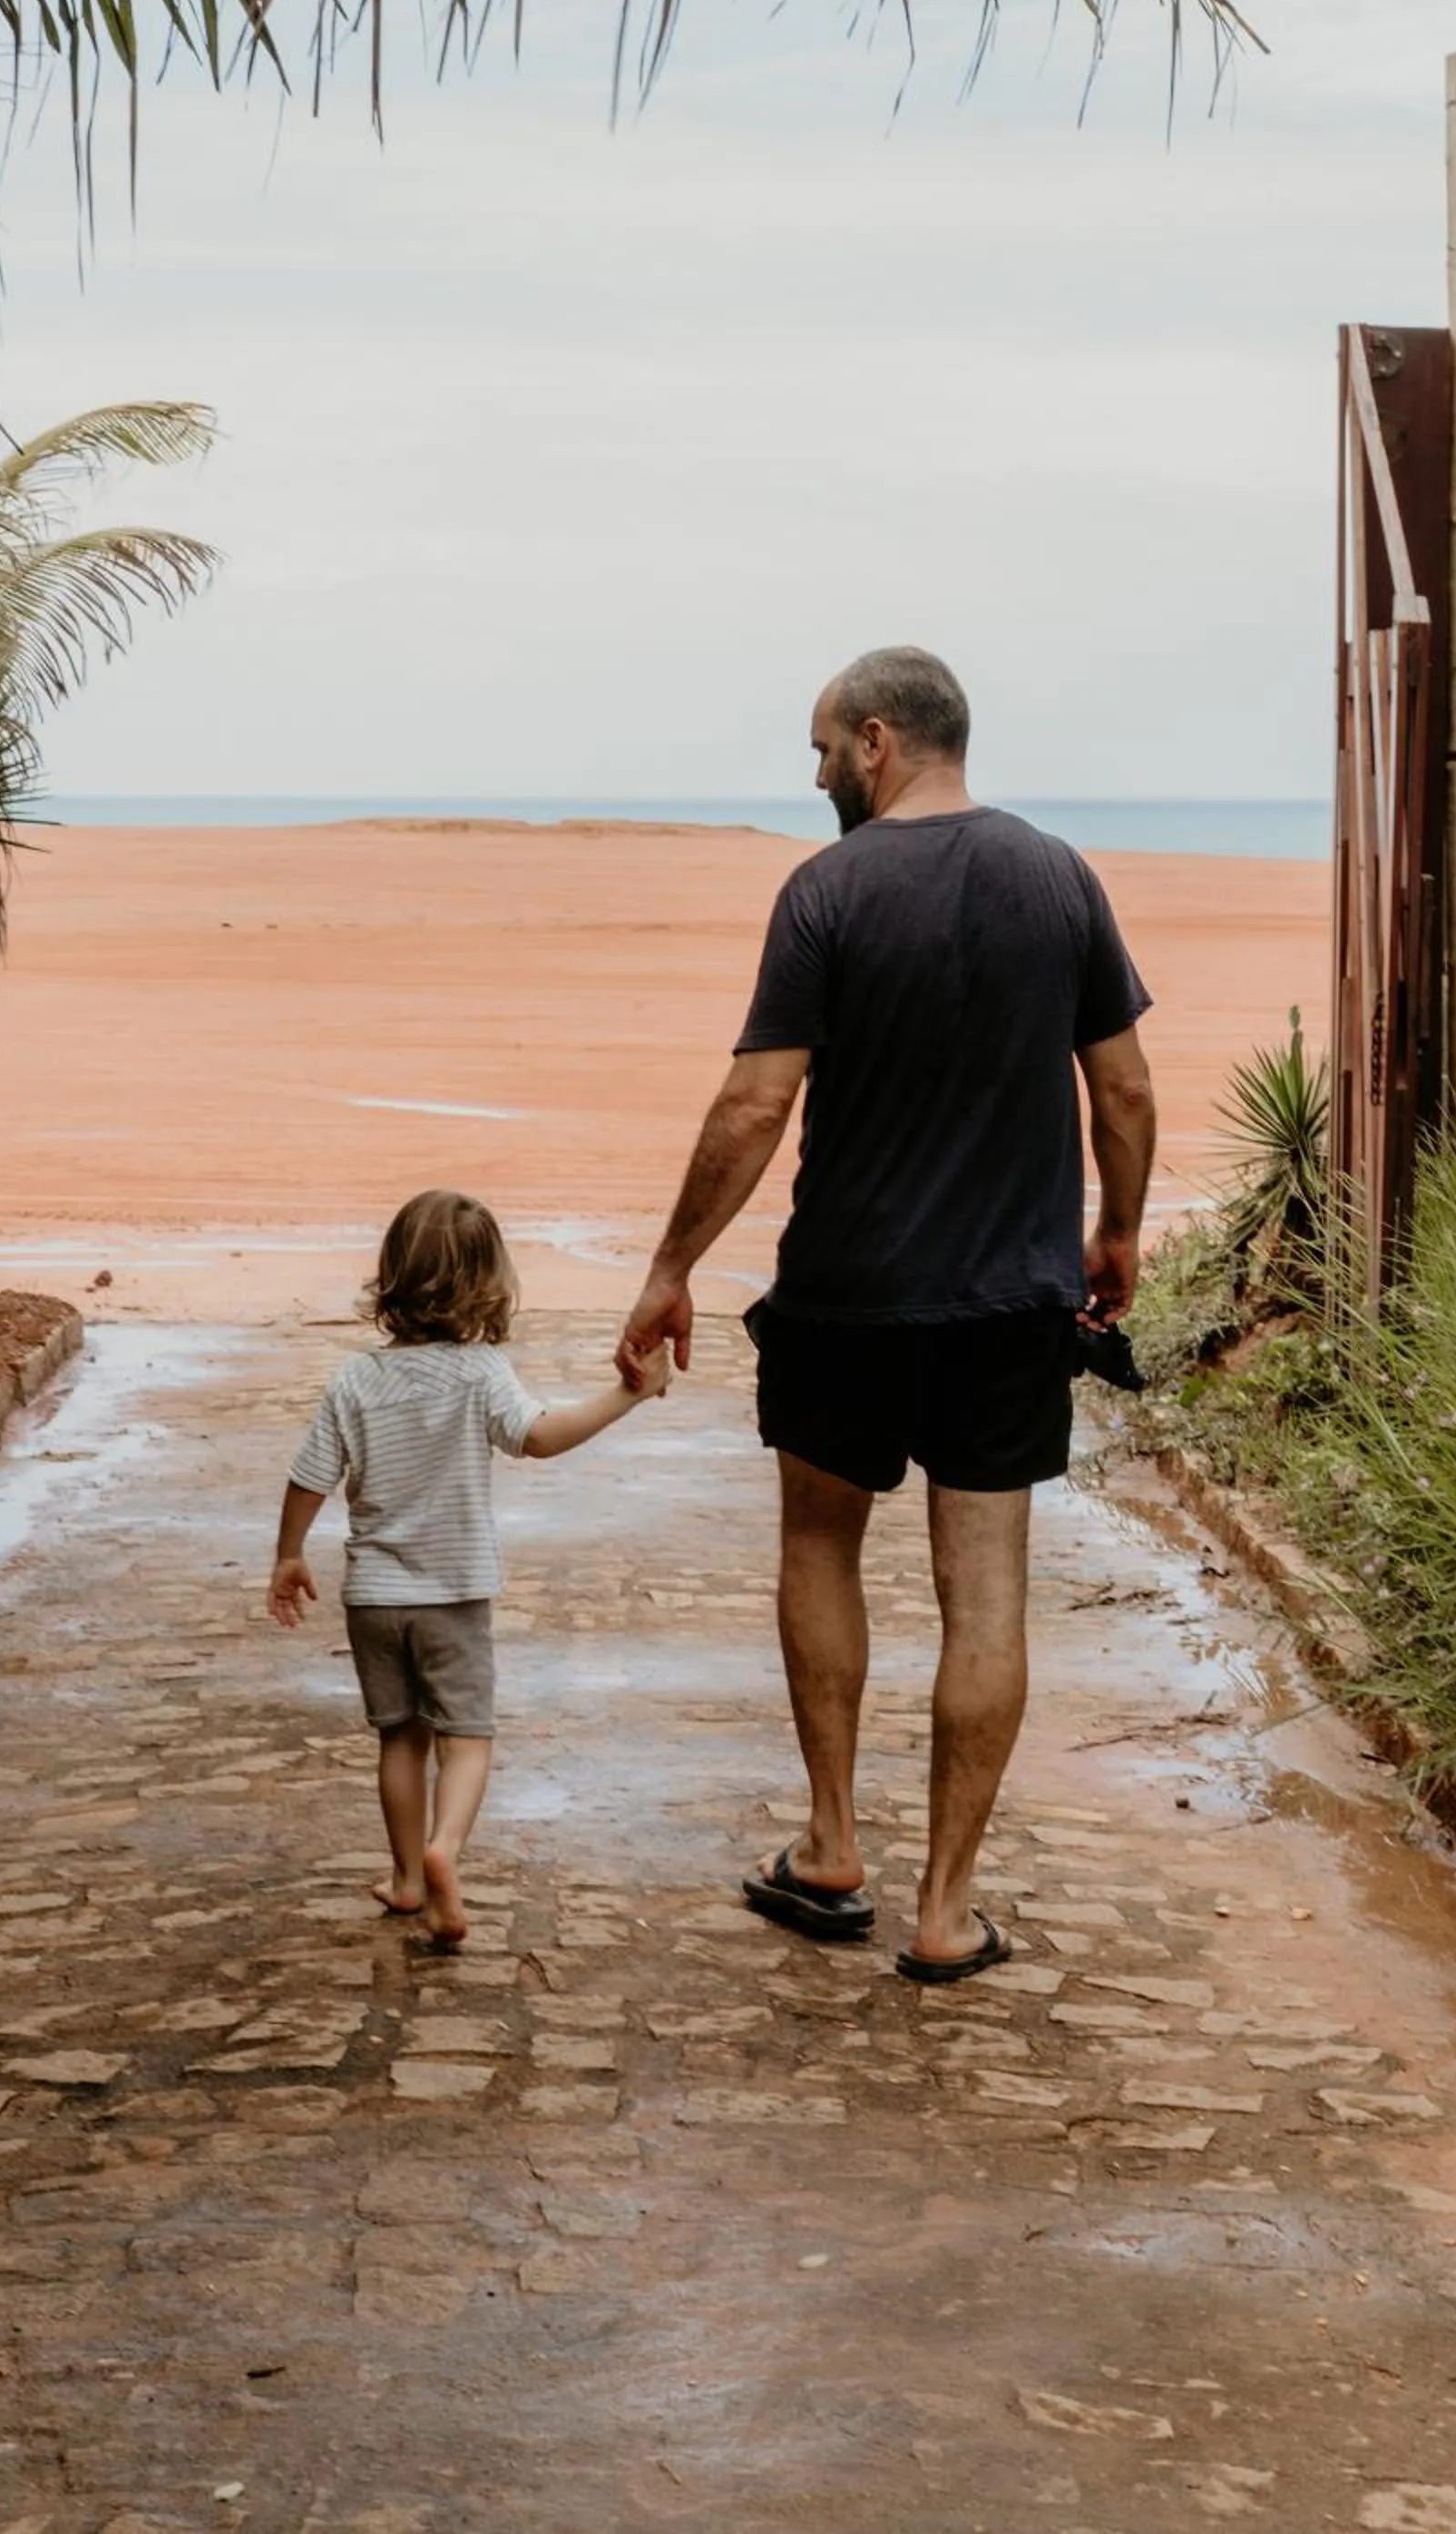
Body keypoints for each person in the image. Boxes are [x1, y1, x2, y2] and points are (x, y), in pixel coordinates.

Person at [616, 647, 1156, 1984]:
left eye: (818, 754)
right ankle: (946, 1911)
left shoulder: (828, 893)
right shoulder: (1060, 877)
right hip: (1009, 1305)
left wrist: (672, 1263)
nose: (813, 780)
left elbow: (755, 1106)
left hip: (849, 1298)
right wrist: (1119, 1230)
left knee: (820, 1545)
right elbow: (1127, 1091)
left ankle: (831, 1843)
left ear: (875, 741)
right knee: (986, 1598)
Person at [270, 1188, 669, 1947]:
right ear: (489, 1283)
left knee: (400, 1736)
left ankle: (407, 1879)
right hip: (452, 1595)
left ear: (392, 1276)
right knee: (466, 1736)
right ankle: (445, 1848)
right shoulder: (481, 1373)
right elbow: (539, 1438)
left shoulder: (355, 1379)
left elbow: (310, 1474)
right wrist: (627, 1395)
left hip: (373, 1600)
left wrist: (289, 1555)